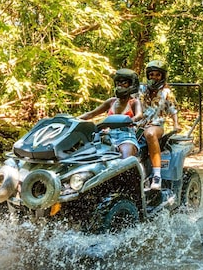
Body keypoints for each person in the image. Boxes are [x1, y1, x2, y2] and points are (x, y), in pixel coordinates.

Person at [78, 68, 142, 158]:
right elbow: (91, 114)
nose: (120, 85)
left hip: (126, 136)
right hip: (106, 136)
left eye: (124, 82)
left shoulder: (134, 102)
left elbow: (139, 115)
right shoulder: (111, 101)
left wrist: (130, 120)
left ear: (131, 85)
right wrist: (75, 120)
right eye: (118, 82)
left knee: (125, 159)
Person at [139, 60, 181, 190]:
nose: (154, 77)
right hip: (138, 125)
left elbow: (173, 110)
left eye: (157, 75)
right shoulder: (141, 89)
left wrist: (176, 124)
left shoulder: (166, 92)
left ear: (162, 76)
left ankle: (157, 176)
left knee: (149, 133)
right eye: (151, 74)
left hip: (156, 126)